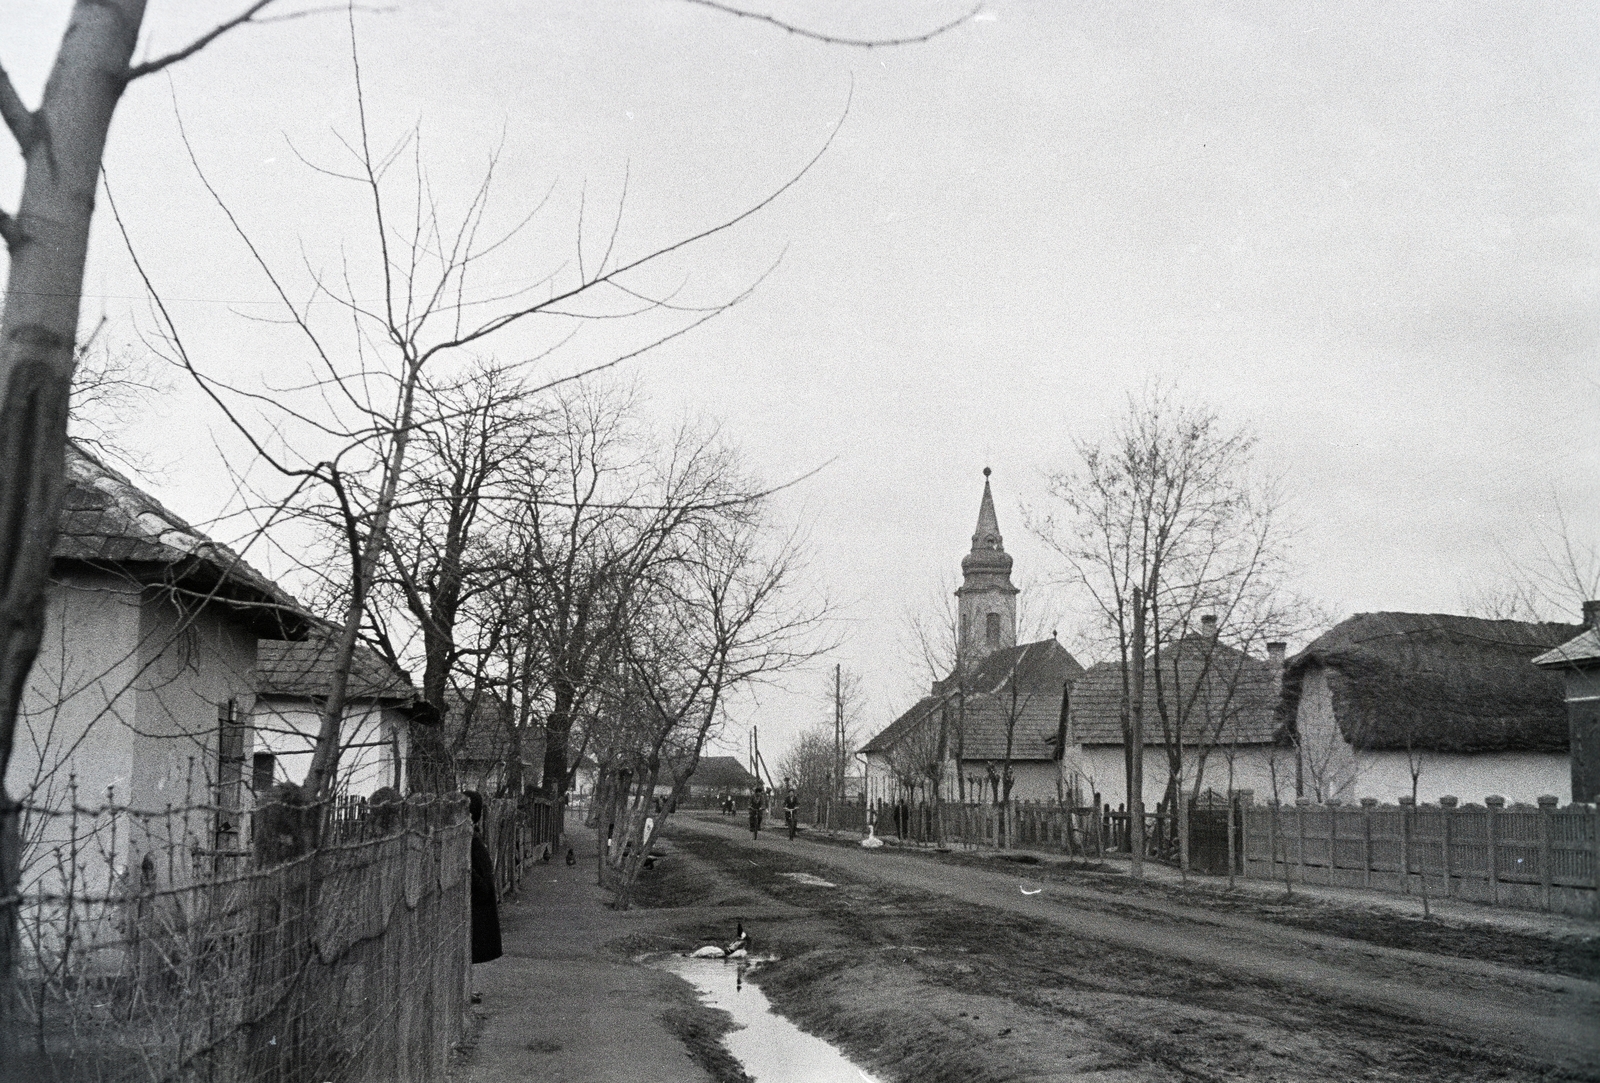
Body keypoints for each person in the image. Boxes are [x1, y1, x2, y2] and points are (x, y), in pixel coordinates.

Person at [464, 791, 503, 970]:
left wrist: (465, 871)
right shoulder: (474, 840)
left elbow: (484, 886)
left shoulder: (473, 843)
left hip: (476, 908)